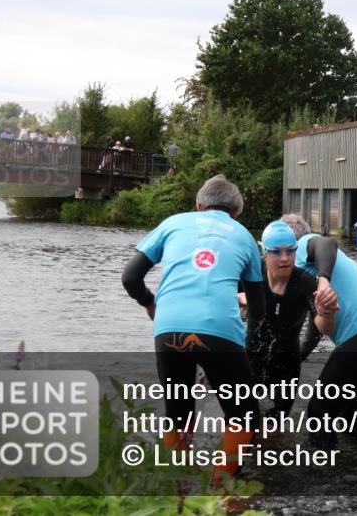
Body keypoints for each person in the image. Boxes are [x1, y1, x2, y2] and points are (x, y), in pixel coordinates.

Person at [121, 175, 265, 484]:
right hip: (219, 331)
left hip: (168, 327)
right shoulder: (244, 236)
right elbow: (259, 308)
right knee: (245, 415)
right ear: (236, 211)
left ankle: (175, 489)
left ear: (199, 205)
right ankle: (220, 489)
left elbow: (130, 278)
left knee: (178, 412)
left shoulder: (173, 223)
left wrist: (150, 304)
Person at [279, 213, 357, 449]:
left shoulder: (307, 243)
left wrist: (324, 280)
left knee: (319, 413)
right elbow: (315, 330)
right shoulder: (314, 271)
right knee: (350, 419)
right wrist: (296, 361)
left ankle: (324, 475)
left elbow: (327, 242)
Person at [239, 220, 338, 416]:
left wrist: (326, 313)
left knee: (275, 430)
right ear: (264, 253)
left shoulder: (305, 282)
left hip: (286, 366)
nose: (284, 258)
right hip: (250, 359)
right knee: (244, 421)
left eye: (290, 251)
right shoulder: (251, 274)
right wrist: (238, 299)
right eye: (276, 252)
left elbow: (324, 329)